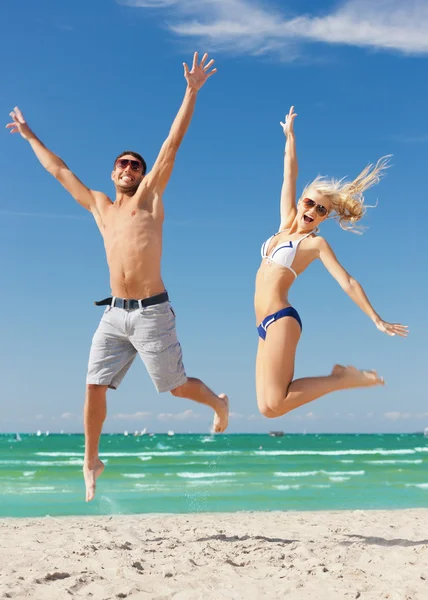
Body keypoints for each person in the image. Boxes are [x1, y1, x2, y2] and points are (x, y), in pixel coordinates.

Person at [7, 52, 229, 502]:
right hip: (113, 315)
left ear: (143, 175)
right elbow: (58, 170)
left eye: (135, 165)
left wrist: (191, 91)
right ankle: (91, 461)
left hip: (152, 312)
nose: (129, 168)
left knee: (175, 387)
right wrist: (30, 135)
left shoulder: (149, 198)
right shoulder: (99, 206)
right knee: (92, 386)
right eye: (122, 164)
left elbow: (171, 143)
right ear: (113, 172)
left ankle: (219, 403)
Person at [255, 106, 408, 420]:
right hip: (262, 325)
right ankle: (341, 378)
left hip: (282, 319)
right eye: (310, 202)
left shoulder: (315, 244)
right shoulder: (284, 223)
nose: (313, 210)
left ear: (324, 218)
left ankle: (341, 379)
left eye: (322, 210)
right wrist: (290, 136)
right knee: (268, 408)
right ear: (301, 202)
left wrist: (376, 319)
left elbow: (347, 281)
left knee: (278, 403)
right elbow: (289, 173)